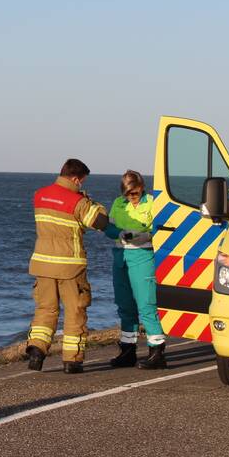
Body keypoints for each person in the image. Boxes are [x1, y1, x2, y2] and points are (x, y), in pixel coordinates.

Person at [26, 158, 112, 374]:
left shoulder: (40, 195)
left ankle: (36, 350)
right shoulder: (78, 201)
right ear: (76, 178)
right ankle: (72, 361)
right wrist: (91, 202)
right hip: (70, 266)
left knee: (45, 309)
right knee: (75, 310)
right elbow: (100, 221)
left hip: (42, 263)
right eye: (81, 182)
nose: (81, 185)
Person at [105, 170, 167, 369]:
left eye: (136, 193)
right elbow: (108, 227)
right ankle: (128, 350)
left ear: (142, 188)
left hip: (142, 255)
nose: (133, 197)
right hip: (121, 256)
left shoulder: (152, 202)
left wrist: (147, 236)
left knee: (146, 304)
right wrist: (120, 233)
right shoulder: (118, 203)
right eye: (129, 194)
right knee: (125, 306)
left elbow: (162, 227)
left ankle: (156, 351)